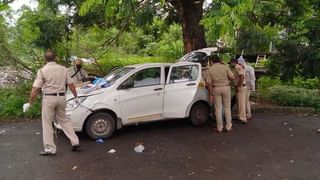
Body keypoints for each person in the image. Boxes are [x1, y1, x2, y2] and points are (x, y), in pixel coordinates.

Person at [23, 50, 80, 156]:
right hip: (62, 97)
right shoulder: (63, 69)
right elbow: (71, 84)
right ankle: (75, 142)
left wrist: (30, 103)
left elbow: (36, 89)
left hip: (49, 98)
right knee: (64, 120)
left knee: (47, 123)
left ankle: (50, 149)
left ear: (45, 59)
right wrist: (76, 97)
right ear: (56, 58)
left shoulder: (42, 71)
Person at [207, 55, 235, 133]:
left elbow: (209, 83)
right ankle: (228, 127)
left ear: (212, 61)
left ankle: (219, 128)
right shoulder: (225, 67)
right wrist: (228, 81)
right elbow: (232, 77)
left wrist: (211, 93)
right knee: (227, 108)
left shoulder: (210, 69)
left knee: (218, 109)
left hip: (216, 88)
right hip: (226, 88)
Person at [229, 58, 247, 124]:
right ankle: (239, 116)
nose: (230, 64)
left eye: (231, 63)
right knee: (239, 103)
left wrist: (239, 86)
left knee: (241, 103)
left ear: (233, 62)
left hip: (241, 86)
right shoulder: (236, 67)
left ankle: (243, 118)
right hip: (239, 86)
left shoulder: (238, 67)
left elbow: (242, 76)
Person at [237, 56, 256, 120]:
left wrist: (252, 87)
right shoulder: (241, 67)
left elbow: (252, 78)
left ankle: (248, 114)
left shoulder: (249, 68)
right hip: (243, 85)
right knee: (243, 100)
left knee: (246, 100)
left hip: (247, 85)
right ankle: (243, 114)